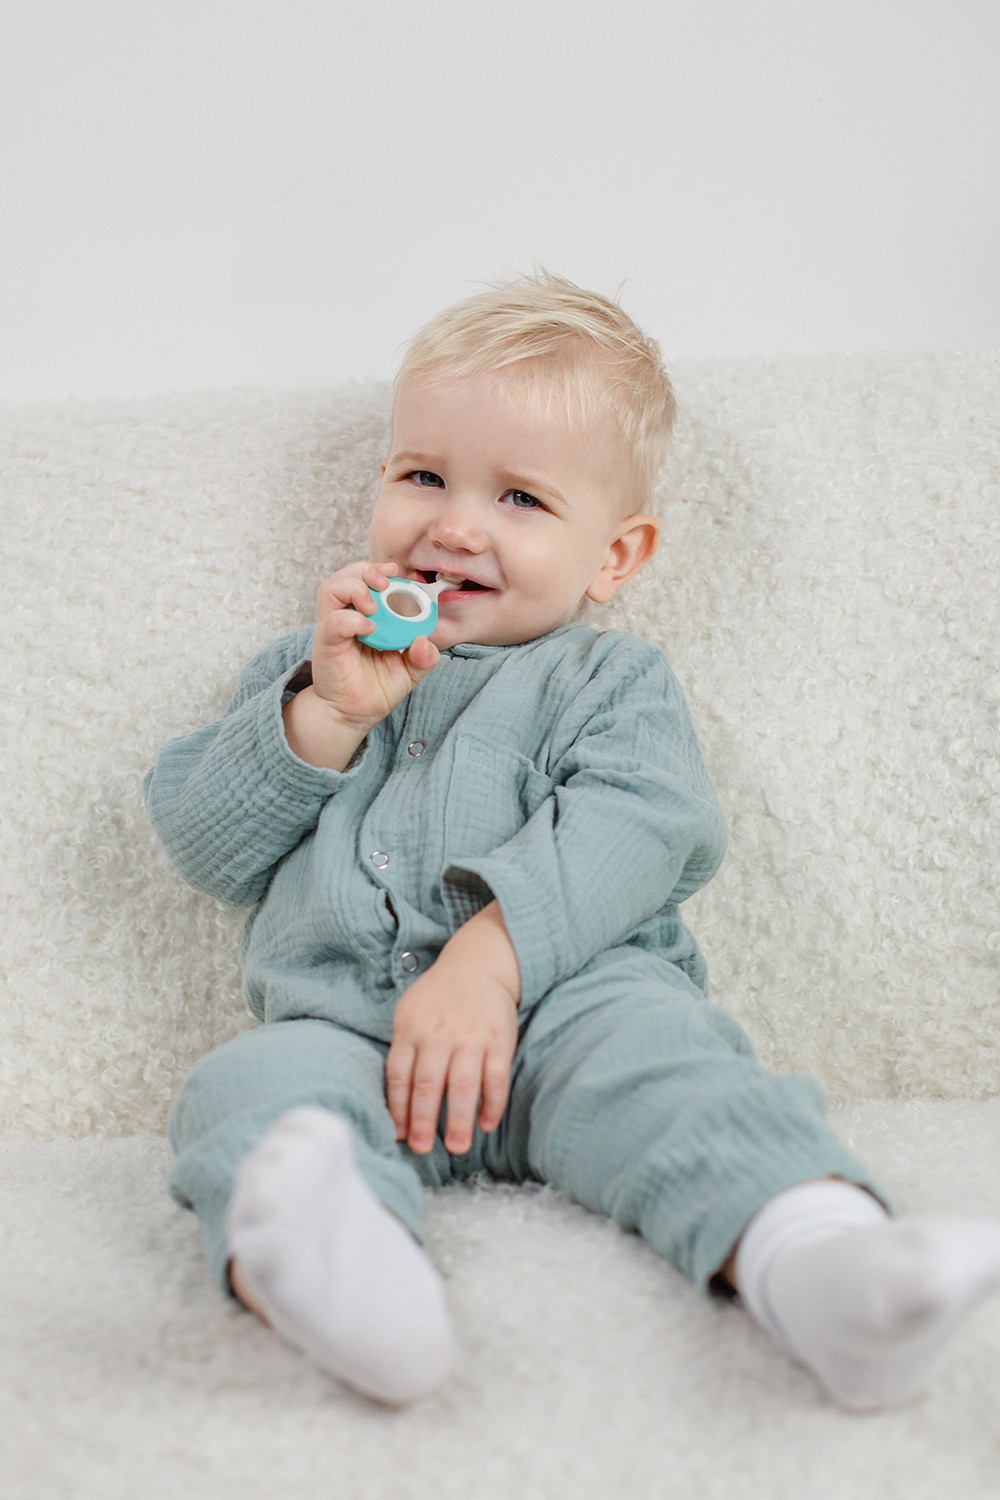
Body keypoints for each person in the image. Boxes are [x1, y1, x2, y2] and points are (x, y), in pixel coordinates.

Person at [145, 271, 1000, 1410]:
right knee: (246, 1093)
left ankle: (821, 1261)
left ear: (615, 556)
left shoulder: (608, 678)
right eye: (423, 476)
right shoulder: (310, 669)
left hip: (573, 1019)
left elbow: (643, 823)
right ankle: (337, 1271)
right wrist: (328, 714)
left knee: (677, 1074)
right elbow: (206, 847)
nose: (454, 524)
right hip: (347, 1033)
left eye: (520, 499)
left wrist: (489, 964)